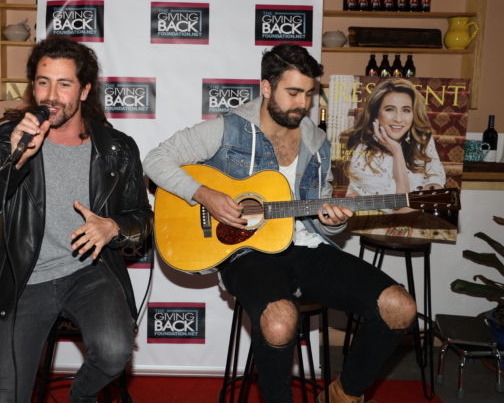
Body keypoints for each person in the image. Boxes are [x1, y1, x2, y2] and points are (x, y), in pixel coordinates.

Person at [143, 44, 417, 403]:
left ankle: (343, 394)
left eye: (309, 94)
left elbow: (323, 221)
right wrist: (205, 195)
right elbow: (156, 160)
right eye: (293, 92)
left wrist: (333, 221)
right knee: (278, 320)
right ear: (267, 88)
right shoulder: (228, 129)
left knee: (399, 306)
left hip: (307, 248)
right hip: (246, 253)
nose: (302, 104)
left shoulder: (318, 142)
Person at [0, 37, 153, 403]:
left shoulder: (116, 148)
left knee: (114, 351)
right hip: (24, 277)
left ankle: (81, 396)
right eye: (43, 82)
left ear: (84, 91)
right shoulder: (4, 140)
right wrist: (15, 161)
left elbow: (142, 218)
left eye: (64, 84)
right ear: (32, 87)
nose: (51, 95)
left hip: (90, 273)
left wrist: (113, 227)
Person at [343, 78, 446, 202]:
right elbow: (401, 204)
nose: (398, 119)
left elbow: (434, 179)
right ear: (375, 113)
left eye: (406, 110)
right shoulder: (362, 149)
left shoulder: (421, 139)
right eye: (390, 109)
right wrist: (397, 151)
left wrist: (433, 185)